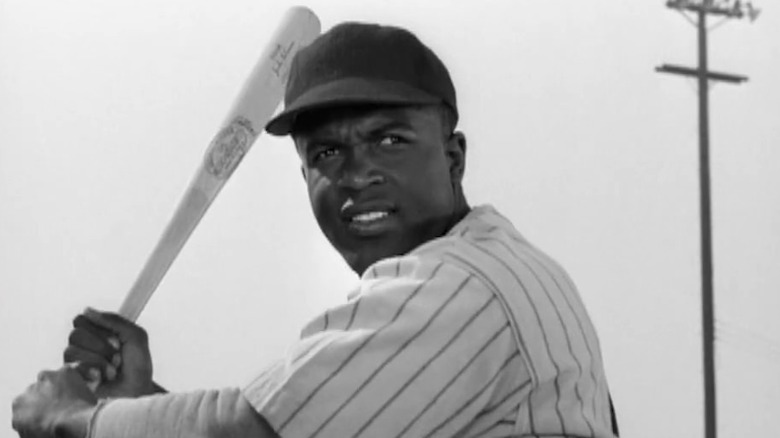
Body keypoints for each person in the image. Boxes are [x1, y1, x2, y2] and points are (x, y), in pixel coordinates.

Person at [12, 22, 619, 438]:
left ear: (454, 157)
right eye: (327, 153)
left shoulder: (458, 287)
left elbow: (256, 429)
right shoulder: (486, 265)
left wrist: (73, 419)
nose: (357, 174)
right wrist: (138, 405)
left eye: (389, 140)